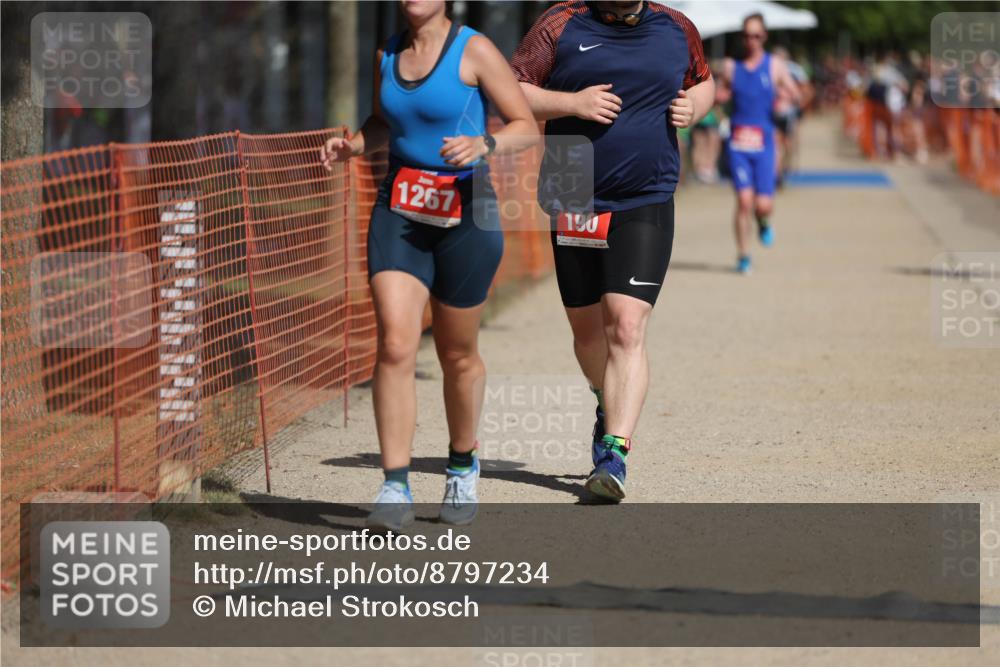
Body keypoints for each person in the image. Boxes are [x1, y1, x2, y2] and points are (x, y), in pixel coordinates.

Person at [321, 0, 537, 529]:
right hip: (399, 210)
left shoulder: (474, 49)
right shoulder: (387, 55)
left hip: (467, 214)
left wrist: (484, 143)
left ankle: (462, 463)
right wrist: (353, 146)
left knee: (456, 353)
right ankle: (394, 486)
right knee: (396, 344)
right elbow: (382, 122)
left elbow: (526, 125)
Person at [510, 0, 714, 501]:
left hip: (646, 194)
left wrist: (695, 107)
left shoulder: (676, 26)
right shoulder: (560, 23)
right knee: (587, 334)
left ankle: (614, 453)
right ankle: (606, 399)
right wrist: (572, 104)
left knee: (625, 325)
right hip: (572, 187)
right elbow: (511, 90)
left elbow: (703, 81)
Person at [717, 13, 799, 275]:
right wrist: (720, 99)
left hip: (764, 144)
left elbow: (796, 93)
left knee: (763, 205)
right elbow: (717, 93)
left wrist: (786, 99)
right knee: (743, 201)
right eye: (746, 35)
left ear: (764, 36)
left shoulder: (775, 65)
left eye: (756, 35)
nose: (751, 40)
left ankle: (763, 221)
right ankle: (743, 255)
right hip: (738, 143)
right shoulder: (731, 66)